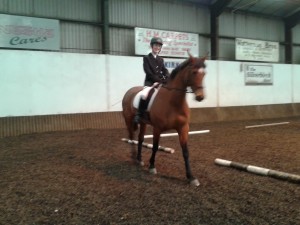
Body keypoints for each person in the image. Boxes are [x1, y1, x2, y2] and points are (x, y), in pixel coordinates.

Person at [133, 37, 170, 124]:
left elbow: (164, 70)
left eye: (159, 46)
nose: (157, 47)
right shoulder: (147, 58)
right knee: (144, 94)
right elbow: (148, 72)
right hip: (149, 82)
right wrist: (158, 80)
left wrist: (167, 76)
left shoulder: (161, 59)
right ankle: (139, 114)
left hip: (159, 82)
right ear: (152, 46)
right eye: (155, 45)